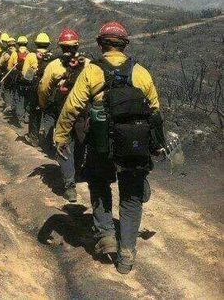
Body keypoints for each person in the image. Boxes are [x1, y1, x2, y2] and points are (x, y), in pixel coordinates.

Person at [54, 22, 165, 274]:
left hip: (101, 144)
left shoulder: (92, 72)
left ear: (101, 44)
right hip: (133, 146)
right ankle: (126, 253)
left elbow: (72, 106)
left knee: (99, 183)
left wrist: (60, 135)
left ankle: (105, 235)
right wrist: (156, 145)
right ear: (124, 45)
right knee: (131, 196)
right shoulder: (141, 73)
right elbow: (155, 112)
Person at [38, 28, 89, 202]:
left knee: (64, 145)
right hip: (83, 112)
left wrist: (44, 105)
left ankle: (70, 185)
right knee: (80, 142)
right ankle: (77, 172)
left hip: (62, 112)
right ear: (77, 46)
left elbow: (44, 89)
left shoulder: (54, 65)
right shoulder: (88, 64)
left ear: (60, 47)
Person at [21, 33, 54, 146]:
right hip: (50, 90)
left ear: (36, 44)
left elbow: (26, 75)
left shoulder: (31, 56)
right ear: (48, 44)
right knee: (48, 114)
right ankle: (48, 140)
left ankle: (33, 138)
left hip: (35, 88)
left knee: (35, 113)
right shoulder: (52, 56)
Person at [11, 36, 30, 124]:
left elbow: (12, 66)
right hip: (28, 79)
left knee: (19, 96)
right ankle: (26, 115)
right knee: (27, 98)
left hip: (18, 78)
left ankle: (18, 115)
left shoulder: (15, 53)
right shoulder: (30, 54)